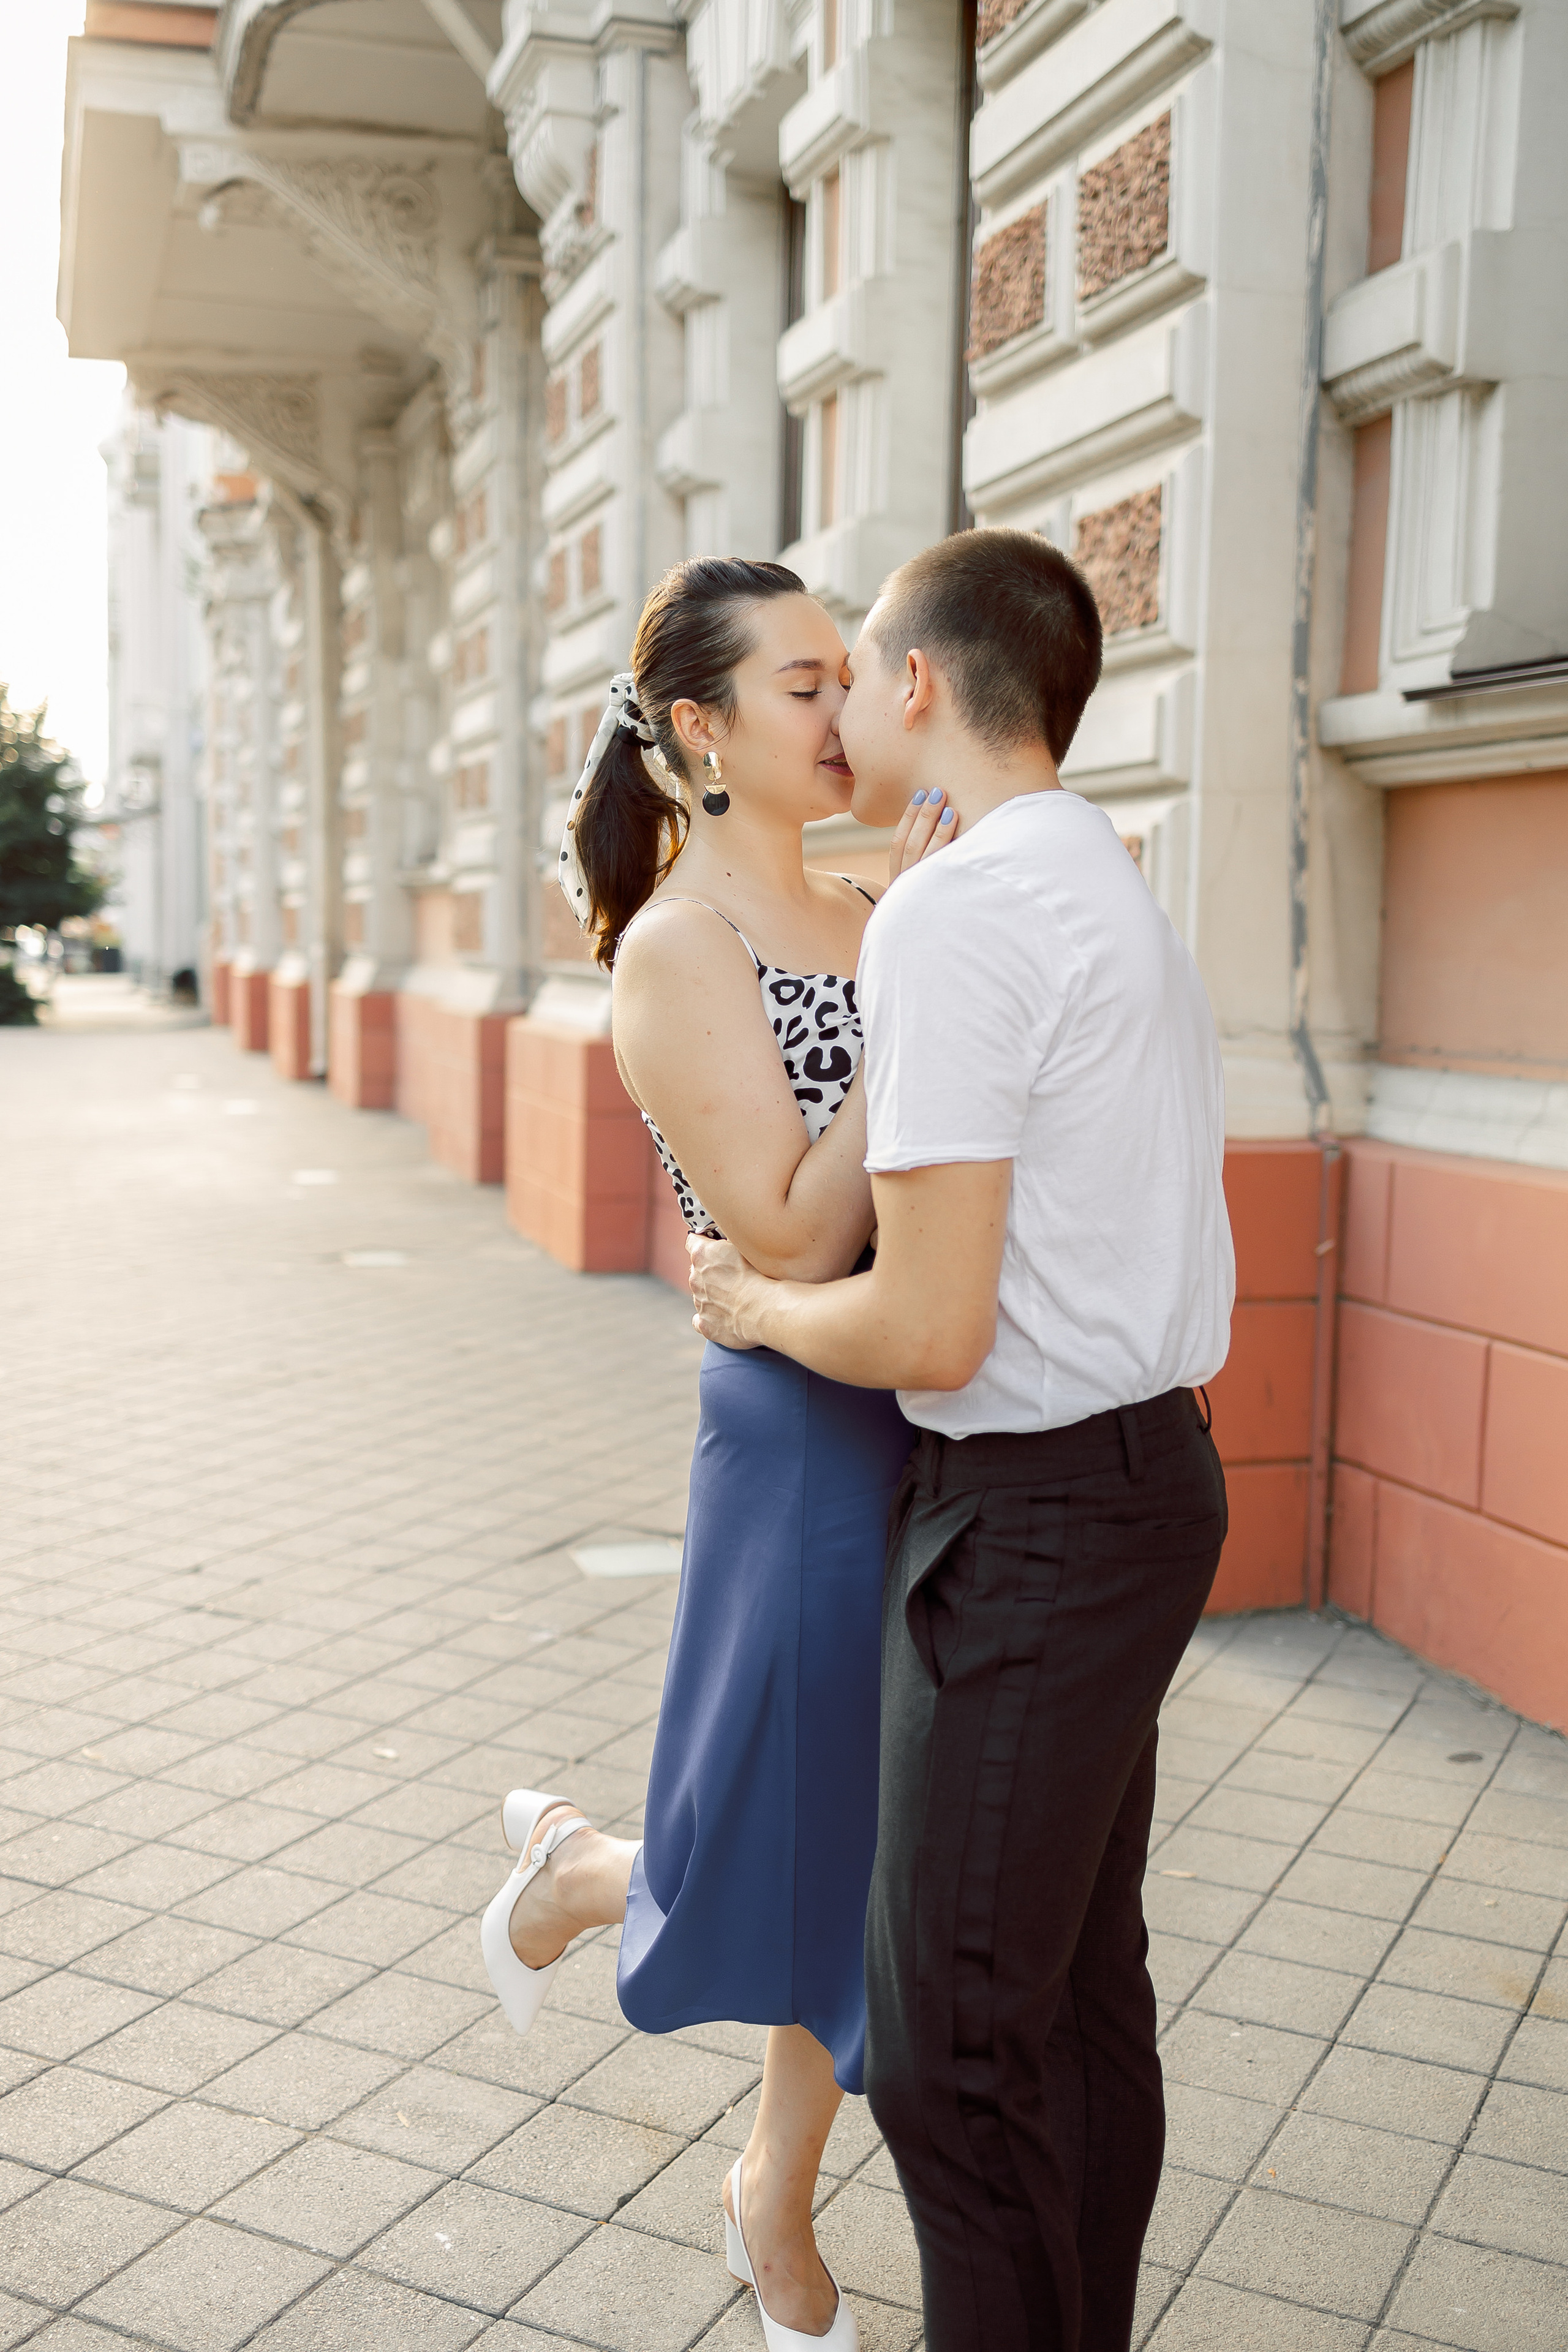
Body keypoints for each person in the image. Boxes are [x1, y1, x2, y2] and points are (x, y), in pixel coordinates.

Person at [688, 528, 1235, 2352]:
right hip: (1145, 1482)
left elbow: (927, 1323)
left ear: (919, 685)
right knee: (1075, 2011)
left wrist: (761, 1311)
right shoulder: (1101, 878)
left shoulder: (960, 910)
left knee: (952, 2056)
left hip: (1040, 1521)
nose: (839, 705)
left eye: (855, 674)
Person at [478, 558, 956, 2351]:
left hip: (929, 1404)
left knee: (869, 1828)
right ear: (702, 729)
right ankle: (761, 2176)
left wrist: (915, 947)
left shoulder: (867, 906)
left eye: (852, 678)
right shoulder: (679, 952)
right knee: (838, 1822)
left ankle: (592, 1887)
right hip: (800, 1433)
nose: (856, 715)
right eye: (809, 687)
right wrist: (922, 987)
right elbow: (783, 1229)